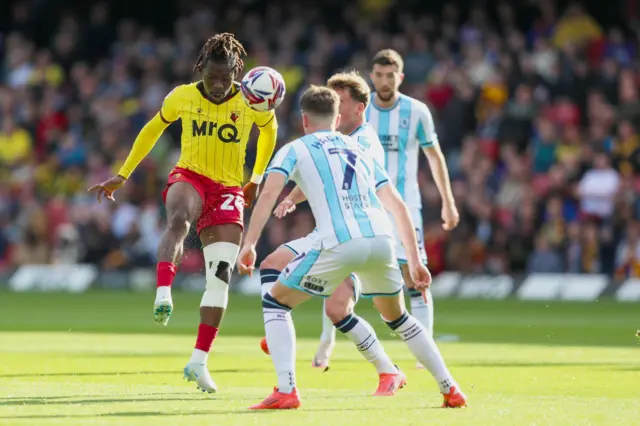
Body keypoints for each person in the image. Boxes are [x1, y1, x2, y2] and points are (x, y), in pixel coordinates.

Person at [237, 85, 466, 410]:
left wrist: (248, 243)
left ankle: (286, 390)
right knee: (399, 318)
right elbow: (398, 206)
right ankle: (450, 388)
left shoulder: (294, 148)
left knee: (276, 303)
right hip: (382, 240)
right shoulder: (358, 148)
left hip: (340, 242)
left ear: (304, 120)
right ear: (336, 118)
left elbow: (269, 194)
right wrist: (414, 261)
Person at [87, 33, 278, 393]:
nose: (219, 85)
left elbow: (269, 133)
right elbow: (152, 130)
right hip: (190, 176)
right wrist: (123, 174)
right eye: (212, 77)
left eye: (226, 78)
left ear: (237, 72)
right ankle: (163, 292)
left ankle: (199, 361)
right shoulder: (182, 96)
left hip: (228, 189)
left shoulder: (252, 98)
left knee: (220, 278)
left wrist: (256, 178)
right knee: (178, 219)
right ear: (200, 70)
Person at [258, 71, 385, 370]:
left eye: (340, 101)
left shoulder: (362, 140)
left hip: (360, 228)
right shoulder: (340, 140)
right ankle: (277, 324)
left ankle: (389, 370)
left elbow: (346, 177)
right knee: (275, 265)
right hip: (338, 229)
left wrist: (290, 196)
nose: (334, 107)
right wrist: (291, 199)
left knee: (349, 309)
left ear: (358, 108)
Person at [367, 49, 459, 368]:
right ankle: (327, 345)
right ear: (371, 75)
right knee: (348, 274)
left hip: (405, 206)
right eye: (379, 74)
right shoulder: (359, 108)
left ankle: (425, 350)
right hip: (364, 206)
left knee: (415, 275)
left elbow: (435, 156)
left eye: (390, 75)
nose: (384, 80)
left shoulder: (416, 111)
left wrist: (447, 201)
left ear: (400, 77)